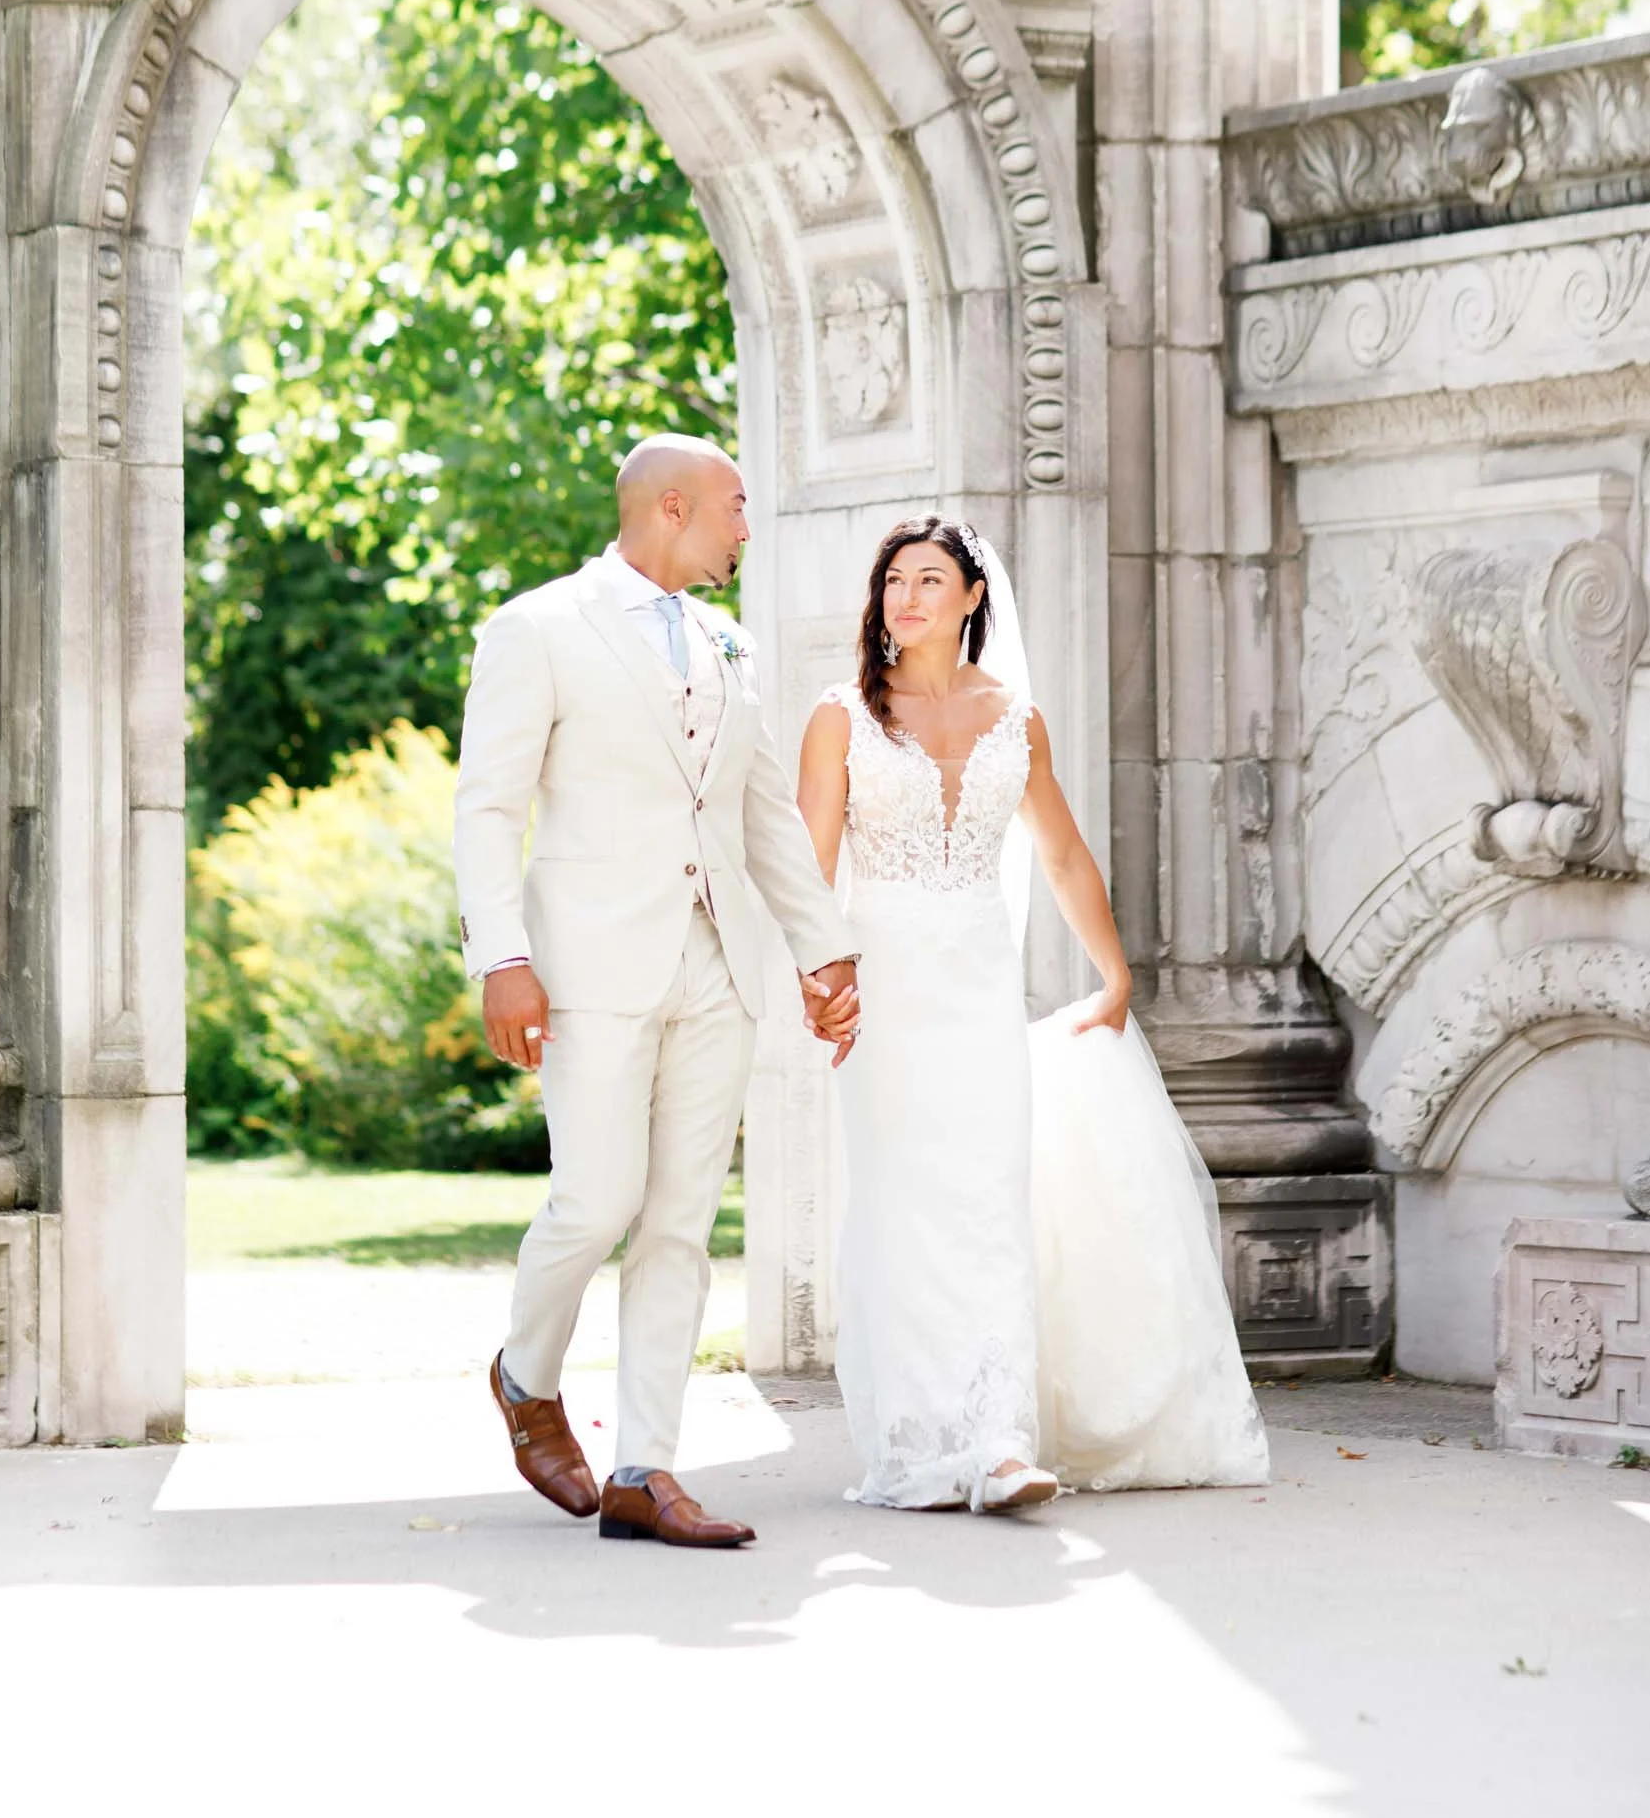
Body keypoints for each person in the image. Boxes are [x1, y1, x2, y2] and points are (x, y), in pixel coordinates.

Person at [797, 517, 1269, 1511]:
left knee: (984, 1205)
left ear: (973, 597)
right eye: (894, 580)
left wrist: (1113, 972)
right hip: (881, 997)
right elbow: (810, 863)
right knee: (900, 1208)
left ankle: (1000, 1437)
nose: (907, 596)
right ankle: (920, 1439)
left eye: (930, 578)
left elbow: (1057, 852)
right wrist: (817, 977)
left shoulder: (1017, 718)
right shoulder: (840, 716)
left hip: (975, 991)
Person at [453, 434, 860, 1549]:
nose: (744, 527)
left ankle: (644, 1468)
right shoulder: (537, 628)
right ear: (671, 505)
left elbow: (762, 809)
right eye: (734, 506)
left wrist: (823, 949)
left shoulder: (730, 639)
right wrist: (499, 956)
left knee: (681, 1220)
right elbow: (486, 807)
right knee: (594, 1198)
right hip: (585, 961)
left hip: (716, 961)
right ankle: (523, 1374)